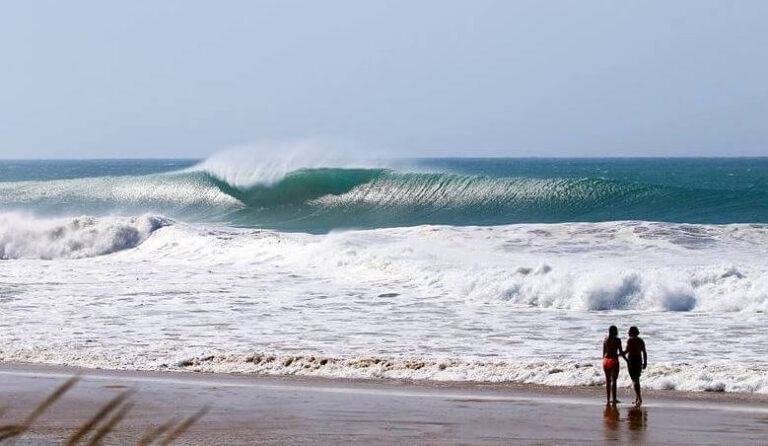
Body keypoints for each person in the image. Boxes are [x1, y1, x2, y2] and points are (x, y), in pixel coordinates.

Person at [625, 326, 647, 406]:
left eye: (629, 331)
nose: (628, 333)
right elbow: (644, 352)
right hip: (639, 360)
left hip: (631, 361)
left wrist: (619, 354)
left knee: (634, 380)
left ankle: (639, 398)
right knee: (636, 379)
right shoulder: (641, 340)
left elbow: (627, 351)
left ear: (632, 332)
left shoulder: (630, 340)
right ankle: (637, 398)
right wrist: (645, 363)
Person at [602, 325, 625, 404]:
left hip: (605, 361)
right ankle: (614, 399)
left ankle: (608, 399)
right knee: (614, 381)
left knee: (608, 381)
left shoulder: (605, 339)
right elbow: (621, 352)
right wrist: (627, 360)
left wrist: (604, 361)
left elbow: (604, 352)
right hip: (613, 361)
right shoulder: (617, 340)